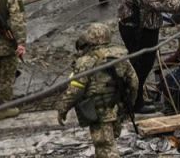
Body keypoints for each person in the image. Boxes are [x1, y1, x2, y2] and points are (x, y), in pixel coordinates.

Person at [57, 23, 138, 158]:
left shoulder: (85, 61)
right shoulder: (121, 56)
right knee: (109, 143)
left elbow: (75, 90)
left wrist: (62, 109)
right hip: (117, 107)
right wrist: (129, 104)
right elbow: (134, 83)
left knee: (105, 148)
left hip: (99, 111)